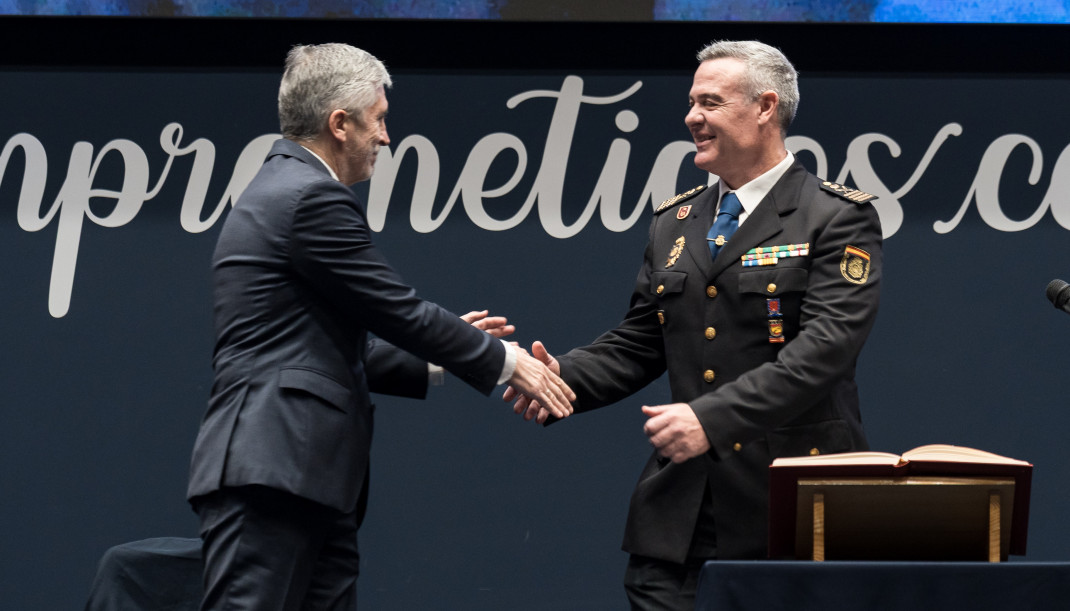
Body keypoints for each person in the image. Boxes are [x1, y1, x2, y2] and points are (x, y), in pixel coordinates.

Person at [186, 43, 574, 611]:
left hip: (307, 476)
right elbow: (397, 309)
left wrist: (439, 359)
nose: (387, 138)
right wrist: (511, 364)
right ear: (339, 123)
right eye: (380, 119)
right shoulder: (308, 197)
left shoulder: (283, 190)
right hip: (275, 472)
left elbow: (323, 347)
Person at [508, 40, 882, 609]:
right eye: (691, 102)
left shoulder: (836, 215)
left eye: (710, 102)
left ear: (765, 107)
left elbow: (824, 352)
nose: (691, 118)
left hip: (793, 508)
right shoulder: (675, 221)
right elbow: (641, 340)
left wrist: (710, 419)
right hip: (682, 513)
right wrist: (564, 376)